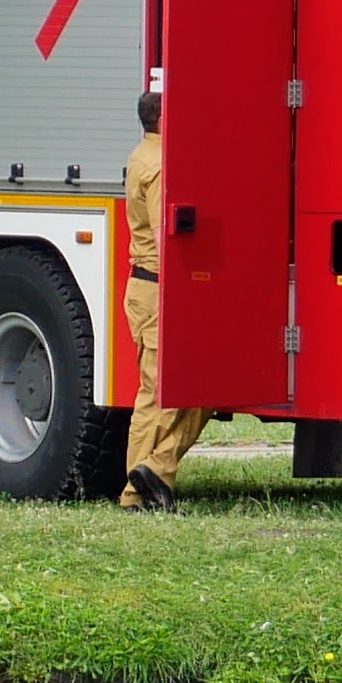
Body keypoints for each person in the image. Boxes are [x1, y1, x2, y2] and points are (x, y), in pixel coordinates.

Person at [119, 87, 209, 510]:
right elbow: (164, 239)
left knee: (197, 391)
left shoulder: (142, 155)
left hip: (148, 288)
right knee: (158, 394)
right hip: (158, 289)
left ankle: (154, 470)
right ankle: (136, 493)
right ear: (163, 118)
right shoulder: (158, 167)